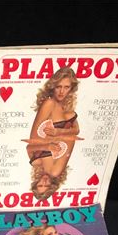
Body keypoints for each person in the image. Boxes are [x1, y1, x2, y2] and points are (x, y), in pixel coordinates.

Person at [22, 67, 83, 201]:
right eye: (58, 87)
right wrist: (60, 133)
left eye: (66, 87)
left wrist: (48, 145)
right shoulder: (55, 171)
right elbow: (73, 136)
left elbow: (30, 145)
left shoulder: (36, 162)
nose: (62, 91)